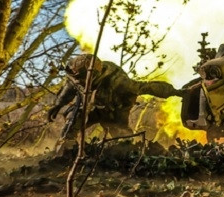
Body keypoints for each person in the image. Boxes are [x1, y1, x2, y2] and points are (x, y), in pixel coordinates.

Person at [49, 54, 179, 141]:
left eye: (80, 79)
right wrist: (58, 105)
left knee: (122, 140)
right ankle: (65, 149)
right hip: (92, 109)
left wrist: (175, 92)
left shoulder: (118, 81)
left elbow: (145, 87)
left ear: (92, 76)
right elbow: (69, 88)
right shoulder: (76, 77)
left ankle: (130, 156)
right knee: (74, 120)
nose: (77, 81)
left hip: (114, 112)